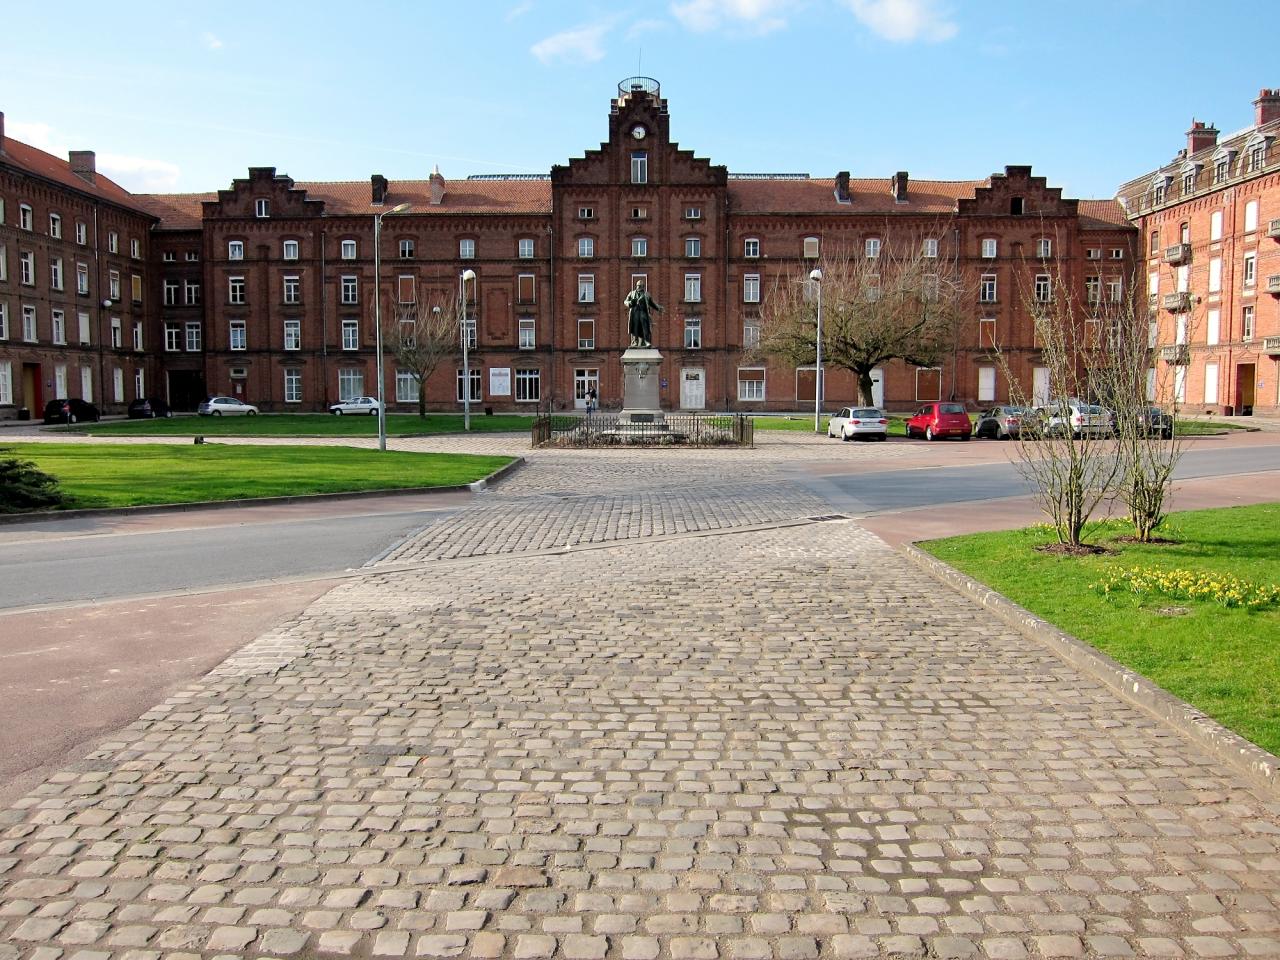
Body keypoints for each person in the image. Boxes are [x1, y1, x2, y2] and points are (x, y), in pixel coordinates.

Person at [624, 279, 662, 348]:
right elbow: (625, 301)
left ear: (643, 286)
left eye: (640, 286)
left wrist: (659, 308)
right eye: (638, 286)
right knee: (635, 327)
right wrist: (630, 303)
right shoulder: (632, 293)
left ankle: (646, 341)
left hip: (643, 313)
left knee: (645, 327)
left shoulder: (646, 294)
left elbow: (652, 303)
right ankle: (634, 342)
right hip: (635, 313)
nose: (639, 287)